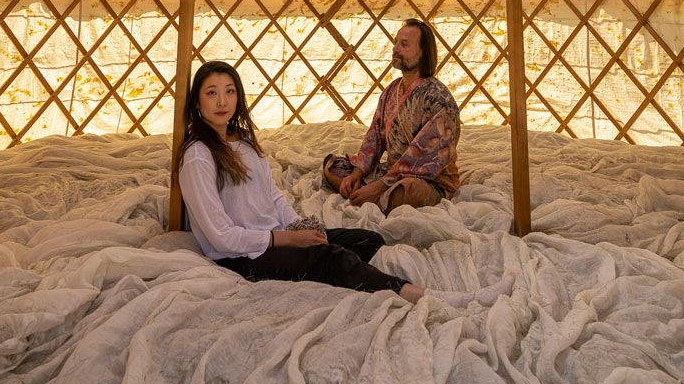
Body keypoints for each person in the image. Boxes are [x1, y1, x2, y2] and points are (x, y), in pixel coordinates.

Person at [177, 60, 513, 308]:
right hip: (241, 255)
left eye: (229, 92)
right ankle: (418, 294)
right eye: (211, 93)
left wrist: (299, 225)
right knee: (331, 256)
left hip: (274, 236)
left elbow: (272, 196)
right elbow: (220, 236)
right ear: (197, 102)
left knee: (366, 238)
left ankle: (351, 275)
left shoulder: (245, 143)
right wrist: (289, 239)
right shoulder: (198, 155)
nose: (222, 102)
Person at [323, 19, 460, 214]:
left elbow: (423, 159)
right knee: (332, 165)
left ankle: (369, 195)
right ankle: (367, 195)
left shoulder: (438, 99)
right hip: (390, 172)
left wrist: (379, 186)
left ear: (423, 53)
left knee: (408, 191)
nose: (395, 48)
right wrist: (356, 173)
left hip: (429, 180)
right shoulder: (391, 91)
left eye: (404, 45)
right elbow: (374, 139)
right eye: (396, 42)